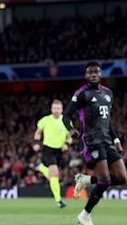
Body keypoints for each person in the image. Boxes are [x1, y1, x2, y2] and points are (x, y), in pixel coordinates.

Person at [62, 61, 127, 225]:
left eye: (96, 72)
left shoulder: (108, 94)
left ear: (100, 74)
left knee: (121, 177)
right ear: (86, 75)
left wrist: (116, 139)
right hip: (91, 140)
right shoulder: (81, 94)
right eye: (90, 72)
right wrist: (70, 129)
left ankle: (85, 180)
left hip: (106, 140)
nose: (93, 75)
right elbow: (66, 115)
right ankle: (84, 215)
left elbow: (107, 121)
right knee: (104, 180)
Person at [32, 99, 72, 208]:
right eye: (54, 108)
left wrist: (67, 145)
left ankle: (41, 167)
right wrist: (36, 143)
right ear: (51, 109)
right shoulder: (45, 120)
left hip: (59, 151)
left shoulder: (66, 121)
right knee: (55, 173)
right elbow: (38, 132)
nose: (56, 110)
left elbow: (69, 137)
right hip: (48, 149)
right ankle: (58, 200)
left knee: (53, 176)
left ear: (62, 109)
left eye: (58, 108)